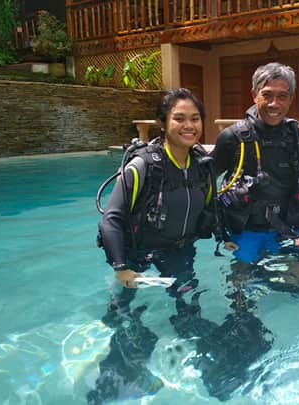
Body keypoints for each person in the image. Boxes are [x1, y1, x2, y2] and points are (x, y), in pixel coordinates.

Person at [90, 88, 222, 403]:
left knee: (190, 307)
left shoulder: (202, 166)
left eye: (195, 119)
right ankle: (120, 373)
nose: (189, 125)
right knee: (125, 315)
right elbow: (111, 220)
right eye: (179, 118)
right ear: (163, 123)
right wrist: (121, 268)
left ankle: (197, 362)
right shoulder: (143, 166)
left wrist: (228, 238)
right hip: (136, 255)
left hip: (178, 251)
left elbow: (211, 209)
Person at [211, 62, 299, 263]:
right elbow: (204, 183)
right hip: (246, 233)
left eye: (282, 96)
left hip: (289, 232)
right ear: (254, 95)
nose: (274, 104)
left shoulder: (296, 138)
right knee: (242, 288)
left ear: (291, 99)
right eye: (267, 95)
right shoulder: (232, 138)